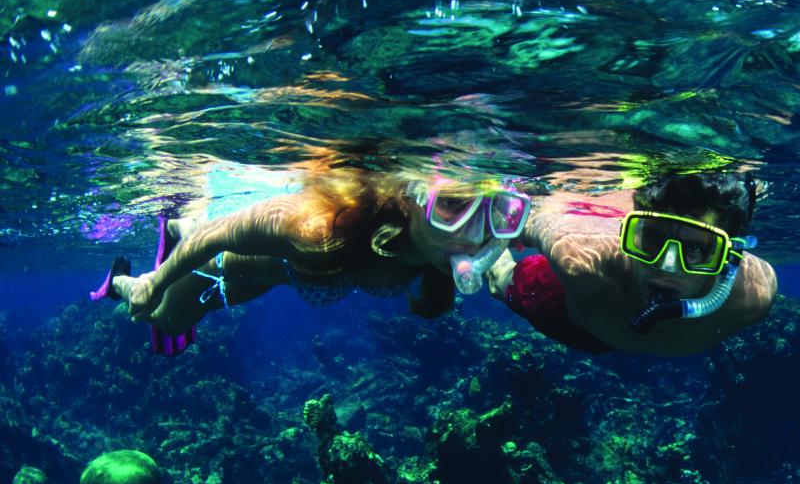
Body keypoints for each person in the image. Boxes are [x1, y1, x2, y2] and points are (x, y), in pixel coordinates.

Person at [91, 162, 530, 355]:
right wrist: (156, 282)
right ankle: (127, 277)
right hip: (231, 259)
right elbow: (218, 234)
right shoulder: (319, 228)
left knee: (231, 289)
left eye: (492, 209)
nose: (475, 233)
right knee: (168, 319)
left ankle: (177, 238)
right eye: (452, 204)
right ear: (411, 198)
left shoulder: (473, 240)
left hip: (284, 277)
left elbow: (504, 271)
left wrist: (514, 279)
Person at [491, 172, 777, 356]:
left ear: (728, 257)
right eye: (653, 238)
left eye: (695, 248)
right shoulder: (581, 262)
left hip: (603, 326)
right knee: (499, 280)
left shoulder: (753, 297)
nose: (667, 264)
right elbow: (515, 219)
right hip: (574, 320)